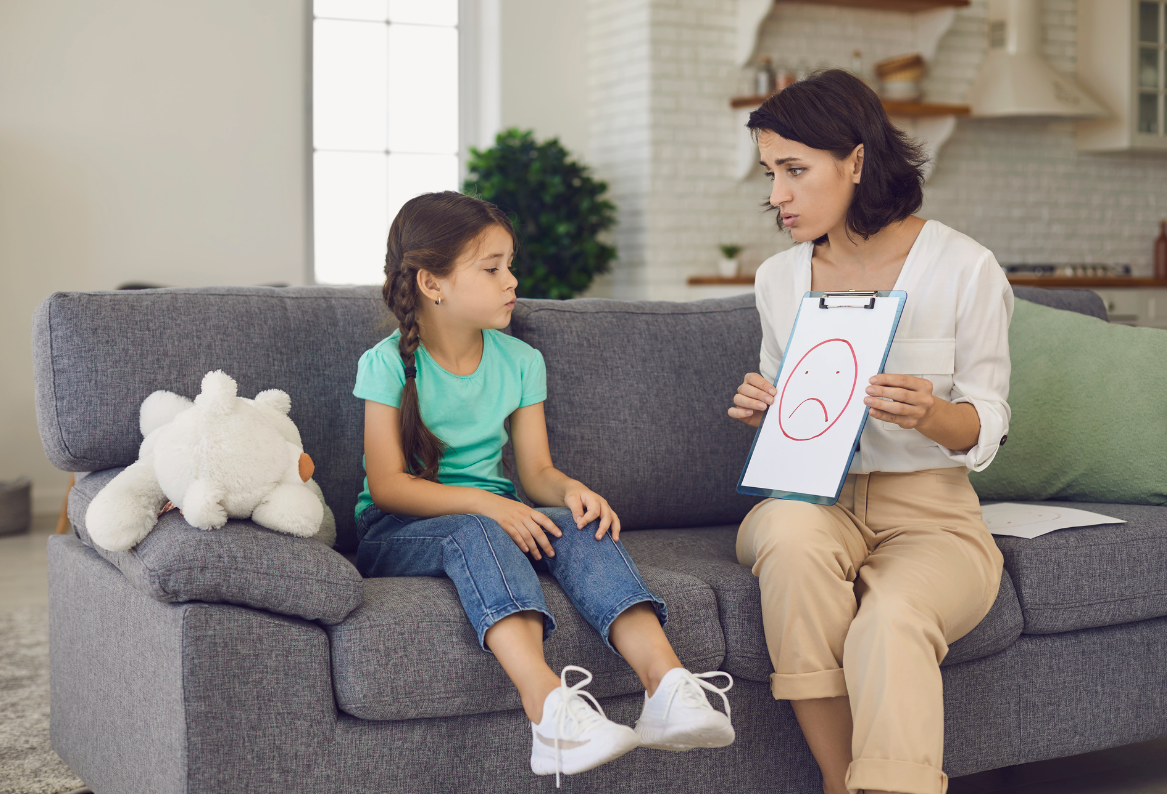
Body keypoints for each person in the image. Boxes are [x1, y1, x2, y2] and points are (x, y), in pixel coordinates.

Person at [354, 191, 734, 784]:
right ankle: (550, 712)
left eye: (510, 264)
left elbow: (535, 475)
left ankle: (669, 688)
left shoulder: (521, 361)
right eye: (492, 268)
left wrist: (570, 490)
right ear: (433, 283)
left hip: (496, 517)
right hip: (398, 530)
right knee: (480, 528)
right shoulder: (384, 364)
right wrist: (490, 506)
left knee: (576, 524)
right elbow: (387, 487)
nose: (513, 281)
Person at [728, 70, 1011, 794]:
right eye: (770, 173)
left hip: (933, 516)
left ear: (855, 160)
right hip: (814, 500)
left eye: (796, 170)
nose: (777, 195)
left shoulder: (964, 268)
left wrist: (932, 413)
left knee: (890, 620)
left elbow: (988, 421)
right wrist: (770, 409)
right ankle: (839, 781)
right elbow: (794, 422)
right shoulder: (779, 280)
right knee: (788, 542)